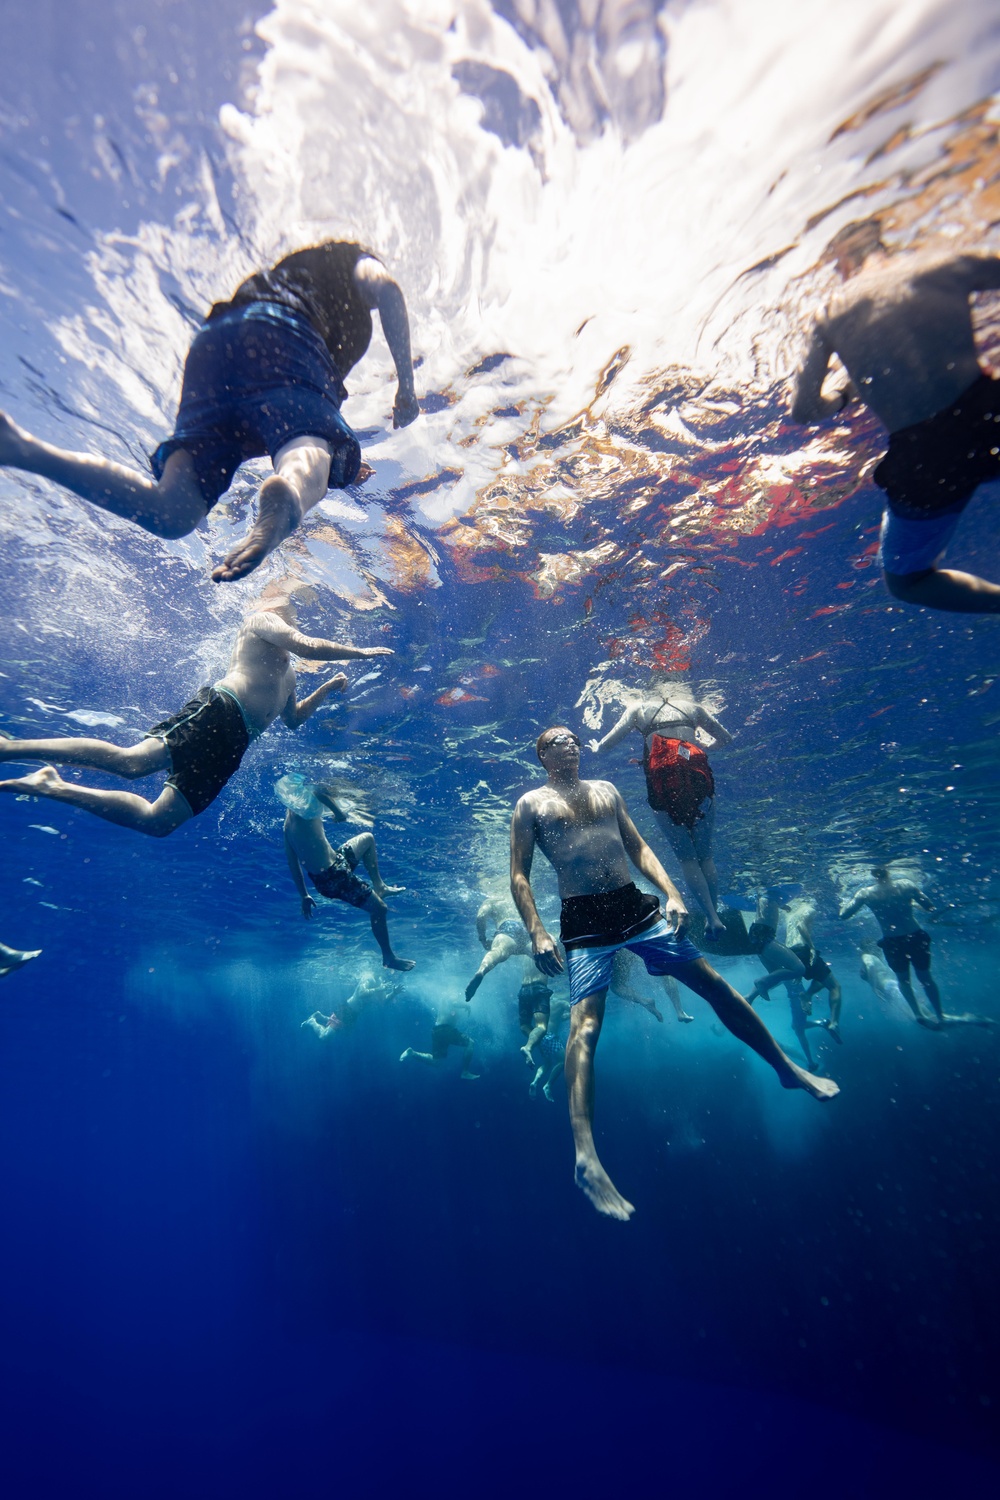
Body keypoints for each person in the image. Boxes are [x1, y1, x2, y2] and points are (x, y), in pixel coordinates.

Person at [510, 726, 839, 1222]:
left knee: (715, 986)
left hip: (636, 909)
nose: (572, 744)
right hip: (583, 921)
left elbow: (639, 847)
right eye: (559, 740)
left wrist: (675, 893)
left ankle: (786, 1068)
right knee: (586, 1029)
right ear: (542, 753)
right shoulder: (529, 804)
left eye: (575, 739)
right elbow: (518, 873)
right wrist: (536, 930)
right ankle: (586, 1156)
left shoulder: (608, 790)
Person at [0, 241, 419, 583]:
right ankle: (290, 494)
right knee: (311, 442)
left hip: (214, 348)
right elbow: (387, 291)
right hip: (284, 337)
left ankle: (23, 449)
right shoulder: (349, 261)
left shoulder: (287, 272)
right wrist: (407, 385)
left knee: (174, 511)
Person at [0, 581, 390, 836]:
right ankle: (11, 749)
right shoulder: (260, 621)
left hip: (235, 744)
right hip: (220, 710)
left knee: (159, 822)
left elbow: (292, 720)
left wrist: (325, 687)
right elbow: (304, 644)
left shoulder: (289, 676)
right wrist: (359, 652)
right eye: (291, 606)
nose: (295, 613)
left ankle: (53, 785)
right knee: (131, 763)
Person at [789, 219, 1000, 612]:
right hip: (989, 411)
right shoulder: (944, 263)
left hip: (926, 458)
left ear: (844, 259)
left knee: (909, 582)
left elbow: (803, 411)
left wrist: (843, 392)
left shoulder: (828, 314)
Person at [587, 672, 733, 937]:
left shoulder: (638, 709)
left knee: (687, 857)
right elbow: (726, 739)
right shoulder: (694, 708)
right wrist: (702, 743)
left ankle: (711, 918)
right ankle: (717, 913)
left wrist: (596, 748)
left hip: (662, 791)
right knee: (706, 854)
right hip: (701, 787)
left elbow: (608, 744)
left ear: (648, 687)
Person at [280, 775, 414, 972]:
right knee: (379, 909)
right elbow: (319, 792)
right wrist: (339, 813)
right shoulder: (304, 805)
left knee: (367, 839)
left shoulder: (288, 822)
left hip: (335, 864)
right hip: (333, 877)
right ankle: (388, 957)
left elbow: (293, 864)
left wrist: (304, 895)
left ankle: (380, 886)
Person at [840, 867, 943, 1028]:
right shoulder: (906, 884)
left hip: (893, 941)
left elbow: (844, 915)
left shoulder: (865, 893)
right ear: (889, 871)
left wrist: (843, 904)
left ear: (872, 875)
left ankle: (917, 1013)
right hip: (915, 936)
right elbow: (929, 906)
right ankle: (940, 1015)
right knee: (926, 978)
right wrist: (913, 903)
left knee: (904, 980)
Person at [784, 896, 843, 1043]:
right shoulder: (809, 909)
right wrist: (812, 948)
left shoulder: (789, 915)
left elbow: (792, 931)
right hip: (803, 949)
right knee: (835, 986)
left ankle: (807, 995)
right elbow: (801, 926)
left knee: (822, 978)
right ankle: (834, 1022)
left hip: (789, 954)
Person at [465, 894, 532, 1001]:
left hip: (507, 926)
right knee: (537, 954)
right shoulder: (520, 898)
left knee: (499, 951)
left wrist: (483, 939)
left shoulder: (491, 900)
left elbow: (481, 916)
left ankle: (482, 971)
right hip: (526, 929)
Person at [303, 968, 404, 1038]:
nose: (387, 970)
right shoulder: (368, 977)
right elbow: (361, 993)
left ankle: (320, 1015)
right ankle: (312, 1021)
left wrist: (394, 993)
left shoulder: (380, 982)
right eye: (385, 967)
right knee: (324, 1037)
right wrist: (380, 988)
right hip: (346, 1009)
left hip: (354, 1014)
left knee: (339, 1032)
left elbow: (383, 1002)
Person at [610, 949, 693, 1023]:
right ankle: (680, 1011)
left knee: (616, 986)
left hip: (621, 946)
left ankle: (643, 1000)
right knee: (664, 970)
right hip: (642, 938)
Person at [400, 1002, 479, 1079]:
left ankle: (412, 1053)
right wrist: (466, 1005)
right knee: (470, 1043)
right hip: (446, 1029)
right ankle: (465, 1072)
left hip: (437, 1030)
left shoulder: (443, 998)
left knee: (436, 1062)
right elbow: (454, 1002)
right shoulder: (452, 991)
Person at [528, 994, 571, 1102]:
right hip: (551, 1036)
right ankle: (548, 1085)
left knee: (547, 1064)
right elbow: (574, 1010)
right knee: (563, 1061)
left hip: (540, 1036)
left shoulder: (542, 1004)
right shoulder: (561, 1003)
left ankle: (535, 1081)